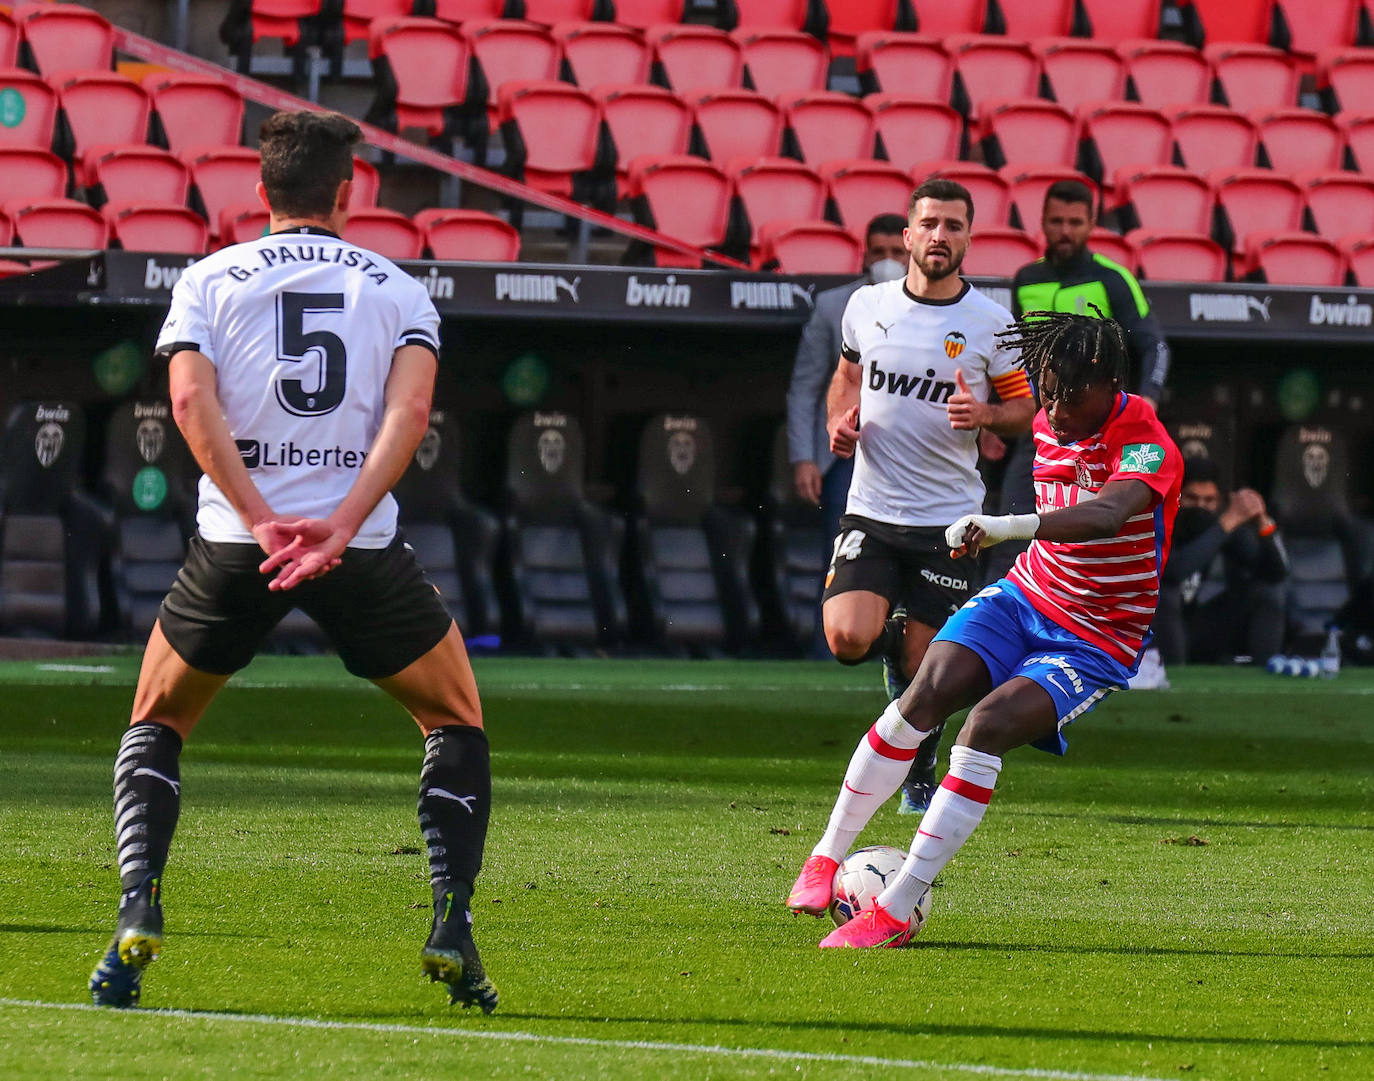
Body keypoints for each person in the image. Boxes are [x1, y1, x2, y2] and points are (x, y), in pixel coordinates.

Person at [87, 111, 498, 1013]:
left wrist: (264, 517)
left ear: (261, 192)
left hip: (241, 546)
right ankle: (451, 923)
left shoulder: (206, 279)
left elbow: (191, 402)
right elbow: (411, 419)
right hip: (361, 551)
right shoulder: (398, 288)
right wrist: (340, 524)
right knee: (454, 718)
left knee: (157, 718)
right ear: (347, 193)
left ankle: (135, 908)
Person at [787, 308, 1183, 948]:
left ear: (1110, 383)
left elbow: (1109, 514)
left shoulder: (1146, 440)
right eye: (1045, 392)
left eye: (1069, 397)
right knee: (922, 693)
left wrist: (1005, 524)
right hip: (1029, 593)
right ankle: (825, 856)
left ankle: (895, 909)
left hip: (1095, 636)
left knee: (986, 728)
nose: (1052, 411)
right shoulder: (1054, 410)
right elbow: (1024, 422)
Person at [819, 178, 1036, 815]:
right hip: (874, 508)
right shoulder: (866, 305)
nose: (941, 236)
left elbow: (1026, 411)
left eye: (955, 226)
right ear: (909, 236)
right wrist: (839, 421)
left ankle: (920, 772)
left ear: (969, 239)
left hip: (951, 521)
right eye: (931, 224)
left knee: (928, 673)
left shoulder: (993, 325)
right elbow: (847, 377)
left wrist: (987, 416)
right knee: (846, 641)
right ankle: (892, 632)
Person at [987, 180, 1172, 592]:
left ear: (1091, 224)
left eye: (1074, 222)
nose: (1065, 231)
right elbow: (1014, 360)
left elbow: (1154, 345)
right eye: (1056, 221)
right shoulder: (1025, 279)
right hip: (1038, 434)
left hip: (1101, 439)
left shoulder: (1113, 280)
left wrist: (1150, 400)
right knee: (1010, 538)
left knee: (1100, 539)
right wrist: (996, 420)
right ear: (1042, 224)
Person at [1154, 456, 1287, 665]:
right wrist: (1227, 523)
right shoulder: (1159, 520)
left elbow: (1275, 573)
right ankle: (1173, 680)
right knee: (1164, 595)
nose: (1201, 507)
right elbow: (1173, 572)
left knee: (1266, 593)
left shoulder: (1219, 525)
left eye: (1209, 501)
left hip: (1192, 628)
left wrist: (1262, 522)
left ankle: (1266, 678)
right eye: (1192, 498)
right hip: (1148, 636)